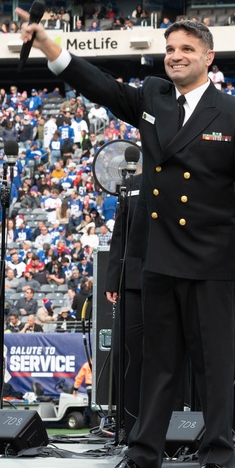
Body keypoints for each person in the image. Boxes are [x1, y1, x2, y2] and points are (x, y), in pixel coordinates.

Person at [19, 16, 235, 468]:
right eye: (170, 48)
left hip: (212, 256)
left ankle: (216, 452)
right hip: (160, 253)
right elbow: (103, 88)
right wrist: (50, 48)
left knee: (214, 362)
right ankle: (144, 455)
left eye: (186, 49)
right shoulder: (154, 96)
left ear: (209, 58)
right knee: (157, 362)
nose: (175, 56)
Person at [103, 171, 147, 439]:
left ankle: (174, 427)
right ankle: (128, 426)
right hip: (134, 280)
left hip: (172, 276)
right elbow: (119, 235)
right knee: (126, 353)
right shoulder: (131, 184)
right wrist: (113, 279)